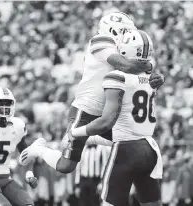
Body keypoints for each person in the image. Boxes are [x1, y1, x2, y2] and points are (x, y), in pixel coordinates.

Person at [19, 12, 164, 174]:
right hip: (86, 110)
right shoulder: (100, 41)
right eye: (126, 32)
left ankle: (91, 137)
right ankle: (39, 149)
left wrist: (155, 78)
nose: (129, 36)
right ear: (114, 31)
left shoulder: (124, 50)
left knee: (133, 141)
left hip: (109, 113)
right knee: (65, 166)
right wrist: (149, 66)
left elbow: (137, 73)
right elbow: (127, 66)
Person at [67, 30, 163, 206]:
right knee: (152, 203)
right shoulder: (152, 78)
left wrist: (76, 131)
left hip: (126, 149)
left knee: (110, 203)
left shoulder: (117, 77)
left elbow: (107, 121)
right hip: (149, 148)